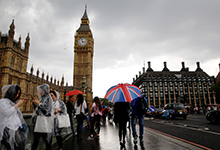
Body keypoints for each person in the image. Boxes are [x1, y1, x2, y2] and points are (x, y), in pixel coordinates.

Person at [0, 84, 29, 150]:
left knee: (21, 146)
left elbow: (17, 116)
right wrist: (17, 104)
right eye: (16, 93)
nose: (17, 95)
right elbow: (6, 113)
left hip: (17, 129)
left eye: (18, 94)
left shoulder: (13, 102)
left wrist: (22, 126)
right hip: (7, 131)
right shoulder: (2, 102)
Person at [31, 84, 54, 150]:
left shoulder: (48, 98)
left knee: (47, 141)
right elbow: (38, 110)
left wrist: (38, 103)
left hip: (45, 122)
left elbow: (47, 110)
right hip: (40, 122)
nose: (40, 92)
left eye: (41, 91)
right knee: (36, 140)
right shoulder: (43, 98)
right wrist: (35, 103)